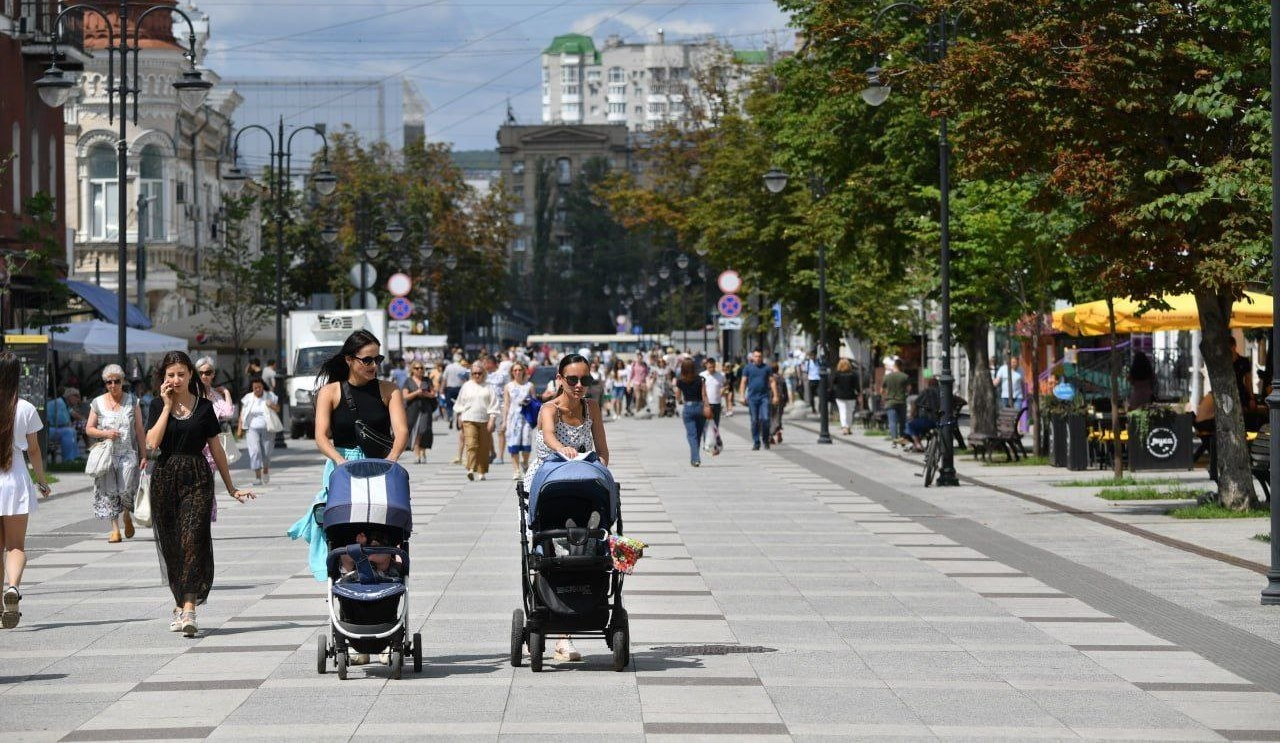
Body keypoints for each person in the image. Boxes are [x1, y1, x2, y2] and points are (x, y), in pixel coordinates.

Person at [145, 351, 255, 637]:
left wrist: (231, 487)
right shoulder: (156, 405)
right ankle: (179, 603)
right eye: (170, 375)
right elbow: (152, 444)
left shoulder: (204, 408)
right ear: (163, 378)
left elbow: (216, 449)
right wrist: (167, 407)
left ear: (190, 375)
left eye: (181, 374)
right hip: (165, 477)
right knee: (172, 545)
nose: (176, 380)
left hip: (197, 476)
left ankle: (189, 608)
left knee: (193, 539)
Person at [522, 353, 610, 663]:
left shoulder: (591, 407)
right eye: (572, 379)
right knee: (547, 552)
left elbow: (602, 449)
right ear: (560, 379)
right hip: (547, 485)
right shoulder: (550, 408)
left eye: (585, 379)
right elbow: (549, 436)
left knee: (581, 549)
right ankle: (549, 621)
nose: (579, 385)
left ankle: (568, 627)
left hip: (580, 485)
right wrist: (564, 449)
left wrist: (601, 472)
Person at [0, 352, 52, 628]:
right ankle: (13, 587)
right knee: (16, 546)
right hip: (16, 479)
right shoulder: (26, 408)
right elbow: (33, 450)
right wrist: (42, 480)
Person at [84, 364, 145, 543]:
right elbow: (89, 429)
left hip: (127, 453)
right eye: (108, 382)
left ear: (122, 381)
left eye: (116, 381)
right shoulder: (97, 403)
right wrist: (105, 434)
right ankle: (115, 529)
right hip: (107, 455)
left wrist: (144, 455)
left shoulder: (133, 401)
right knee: (110, 491)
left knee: (125, 489)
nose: (113, 385)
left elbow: (139, 429)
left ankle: (126, 514)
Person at [454, 362, 500, 480]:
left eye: (479, 373)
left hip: (484, 419)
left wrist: (492, 419)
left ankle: (481, 471)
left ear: (484, 373)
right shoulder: (466, 386)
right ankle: (471, 468)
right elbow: (459, 403)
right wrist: (459, 417)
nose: (477, 375)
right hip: (468, 418)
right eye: (474, 373)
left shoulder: (488, 387)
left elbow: (494, 404)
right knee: (471, 444)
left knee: (484, 447)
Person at [238, 378, 280, 486]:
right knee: (255, 451)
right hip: (252, 428)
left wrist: (271, 405)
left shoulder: (270, 395)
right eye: (255, 388)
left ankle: (265, 470)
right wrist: (239, 428)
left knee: (266, 452)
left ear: (263, 387)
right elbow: (242, 413)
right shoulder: (248, 397)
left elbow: (278, 409)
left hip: (268, 428)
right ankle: (257, 477)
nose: (257, 389)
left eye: (259, 387)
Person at [737, 349, 780, 451]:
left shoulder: (767, 368)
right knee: (754, 420)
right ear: (752, 357)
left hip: (764, 397)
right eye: (756, 356)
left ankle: (766, 440)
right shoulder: (748, 368)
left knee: (765, 419)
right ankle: (756, 442)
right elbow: (743, 382)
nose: (758, 358)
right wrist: (742, 396)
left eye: (759, 356)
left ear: (762, 357)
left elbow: (772, 382)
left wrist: (775, 396)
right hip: (752, 398)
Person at [501, 362, 536, 480]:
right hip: (513, 418)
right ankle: (516, 470)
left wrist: (529, 402)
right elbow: (506, 404)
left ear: (523, 371)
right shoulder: (508, 386)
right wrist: (504, 421)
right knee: (513, 444)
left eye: (519, 370)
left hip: (526, 418)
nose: (517, 372)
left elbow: (535, 403)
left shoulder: (529, 385)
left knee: (526, 444)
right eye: (515, 370)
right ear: (512, 372)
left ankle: (525, 462)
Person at [674, 358, 710, 467]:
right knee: (698, 434)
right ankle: (695, 457)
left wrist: (680, 401)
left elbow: (678, 396)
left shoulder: (680, 381)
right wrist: (707, 406)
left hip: (688, 408)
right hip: (700, 407)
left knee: (692, 435)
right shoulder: (701, 379)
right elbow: (704, 395)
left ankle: (695, 459)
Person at [403, 361, 436, 464]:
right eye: (417, 368)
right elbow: (405, 396)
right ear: (412, 370)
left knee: (424, 430)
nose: (420, 370)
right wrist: (417, 393)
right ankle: (417, 454)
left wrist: (425, 394)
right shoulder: (408, 381)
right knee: (415, 431)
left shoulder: (427, 380)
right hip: (412, 410)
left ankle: (423, 452)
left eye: (421, 368)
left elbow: (433, 394)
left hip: (425, 409)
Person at [46, 387, 83, 461]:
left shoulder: (65, 404)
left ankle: (75, 457)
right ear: (70, 396)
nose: (78, 400)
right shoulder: (59, 403)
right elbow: (61, 421)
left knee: (72, 431)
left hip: (50, 428)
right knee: (68, 432)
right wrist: (69, 424)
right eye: (76, 397)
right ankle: (68, 459)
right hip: (45, 430)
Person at [882, 358, 910, 446]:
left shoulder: (887, 377)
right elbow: (909, 389)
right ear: (901, 366)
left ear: (894, 366)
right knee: (902, 422)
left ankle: (894, 441)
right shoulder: (905, 376)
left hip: (890, 401)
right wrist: (905, 394)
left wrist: (886, 395)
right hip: (901, 401)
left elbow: (882, 390)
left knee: (892, 422)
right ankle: (902, 439)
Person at [831, 358, 859, 435]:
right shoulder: (853, 374)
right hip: (851, 395)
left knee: (842, 411)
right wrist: (859, 392)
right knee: (850, 412)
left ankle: (844, 427)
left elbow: (833, 383)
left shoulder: (837, 374)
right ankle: (848, 427)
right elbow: (857, 386)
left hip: (840, 395)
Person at [442, 353, 469, 427]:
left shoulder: (448, 367)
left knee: (449, 405)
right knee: (459, 405)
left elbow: (444, 379)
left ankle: (450, 417)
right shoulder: (463, 368)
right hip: (460, 389)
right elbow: (467, 379)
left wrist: (442, 389)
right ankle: (458, 418)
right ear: (460, 360)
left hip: (450, 388)